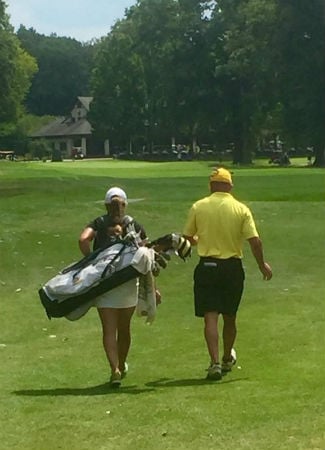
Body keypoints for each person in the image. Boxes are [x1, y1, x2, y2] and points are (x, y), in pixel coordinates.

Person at [182, 168, 272, 381]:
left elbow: (186, 239)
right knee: (230, 316)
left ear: (211, 185)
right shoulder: (241, 209)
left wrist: (199, 239)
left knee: (210, 316)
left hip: (207, 266)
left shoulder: (199, 206)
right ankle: (226, 358)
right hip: (232, 268)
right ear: (230, 186)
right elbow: (254, 240)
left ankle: (213, 363)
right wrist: (262, 265)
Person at [79, 187, 147, 388]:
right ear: (125, 204)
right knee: (124, 329)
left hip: (105, 282)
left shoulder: (99, 223)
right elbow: (146, 256)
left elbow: (83, 239)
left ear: (106, 205)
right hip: (126, 283)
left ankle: (114, 369)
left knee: (108, 329)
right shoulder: (134, 225)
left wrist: (90, 260)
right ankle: (123, 362)